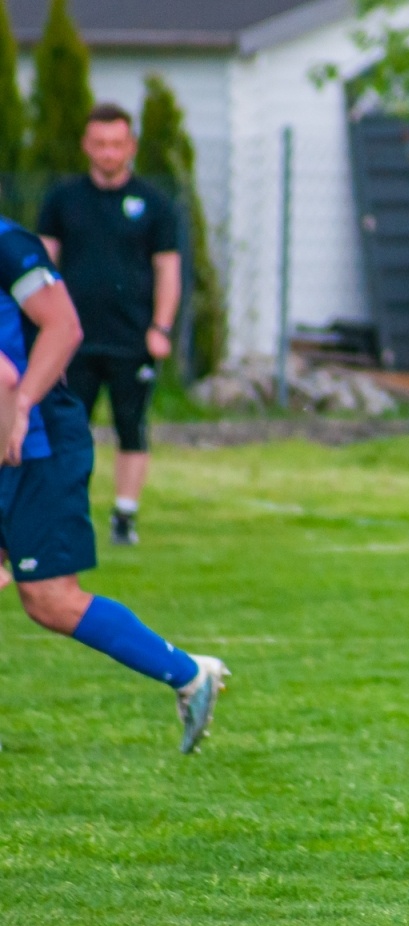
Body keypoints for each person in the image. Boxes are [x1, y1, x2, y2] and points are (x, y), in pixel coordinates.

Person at [0, 211, 226, 752]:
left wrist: (24, 404)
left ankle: (190, 674)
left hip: (37, 446)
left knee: (52, 599)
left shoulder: (9, 246)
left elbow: (62, 330)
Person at [37, 101, 182, 547]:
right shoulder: (63, 200)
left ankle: (125, 515)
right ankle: (64, 511)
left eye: (116, 144)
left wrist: (160, 328)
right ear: (86, 145)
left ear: (130, 146)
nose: (108, 152)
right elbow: (41, 267)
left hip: (130, 338)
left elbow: (168, 271)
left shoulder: (155, 205)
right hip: (71, 340)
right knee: (65, 429)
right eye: (99, 144)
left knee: (131, 426)